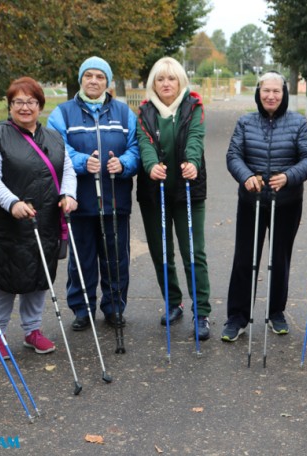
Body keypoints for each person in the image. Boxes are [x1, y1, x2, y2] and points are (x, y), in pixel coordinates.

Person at [0, 77, 77, 359]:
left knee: (38, 274)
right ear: (9, 106)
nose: (25, 107)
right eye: (18, 102)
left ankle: (32, 331)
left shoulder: (54, 138)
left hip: (44, 220)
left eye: (30, 102)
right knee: (4, 278)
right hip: (8, 224)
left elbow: (67, 170)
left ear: (40, 105)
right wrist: (12, 203)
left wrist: (69, 194)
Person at [223, 71, 307, 341]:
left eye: (276, 91)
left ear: (284, 94)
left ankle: (276, 312)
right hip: (251, 202)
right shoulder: (245, 122)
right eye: (266, 91)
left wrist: (288, 177)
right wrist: (247, 177)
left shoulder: (298, 122)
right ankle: (237, 317)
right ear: (258, 93)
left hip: (286, 202)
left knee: (280, 260)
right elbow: (234, 156)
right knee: (244, 259)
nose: (271, 96)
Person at [47, 56, 140, 330]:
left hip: (115, 201)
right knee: (81, 259)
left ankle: (114, 307)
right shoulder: (62, 113)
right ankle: (82, 308)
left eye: (100, 76)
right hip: (80, 200)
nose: (94, 81)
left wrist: (122, 164)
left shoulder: (124, 113)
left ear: (107, 82)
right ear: (80, 80)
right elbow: (57, 147)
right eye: (89, 76)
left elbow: (136, 148)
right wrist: (81, 162)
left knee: (116, 258)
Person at [136, 56, 211, 340]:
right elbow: (144, 143)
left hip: (188, 189)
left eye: (171, 78)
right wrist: (151, 165)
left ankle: (201, 311)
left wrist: (193, 162)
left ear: (180, 81)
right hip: (154, 191)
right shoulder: (144, 111)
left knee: (194, 253)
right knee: (161, 252)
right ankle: (173, 301)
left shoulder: (194, 106)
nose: (166, 84)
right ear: (153, 84)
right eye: (160, 79)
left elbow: (195, 137)